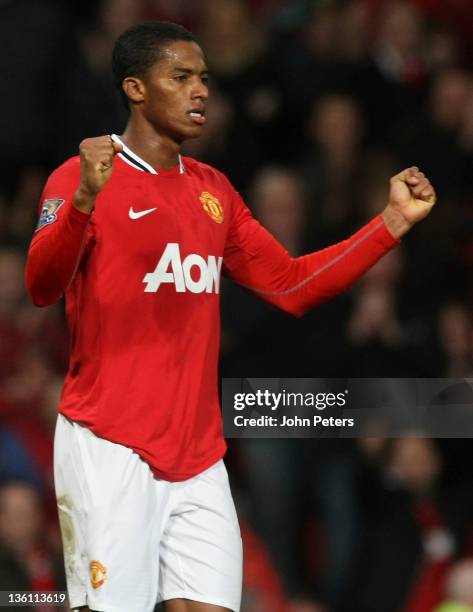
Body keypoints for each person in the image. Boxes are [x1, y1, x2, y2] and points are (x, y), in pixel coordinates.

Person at [25, 20, 436, 612]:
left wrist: (390, 223)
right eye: (182, 77)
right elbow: (41, 286)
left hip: (198, 454)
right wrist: (84, 203)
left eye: (206, 79)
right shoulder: (82, 175)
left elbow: (292, 285)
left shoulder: (213, 190)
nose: (201, 92)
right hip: (109, 444)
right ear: (136, 88)